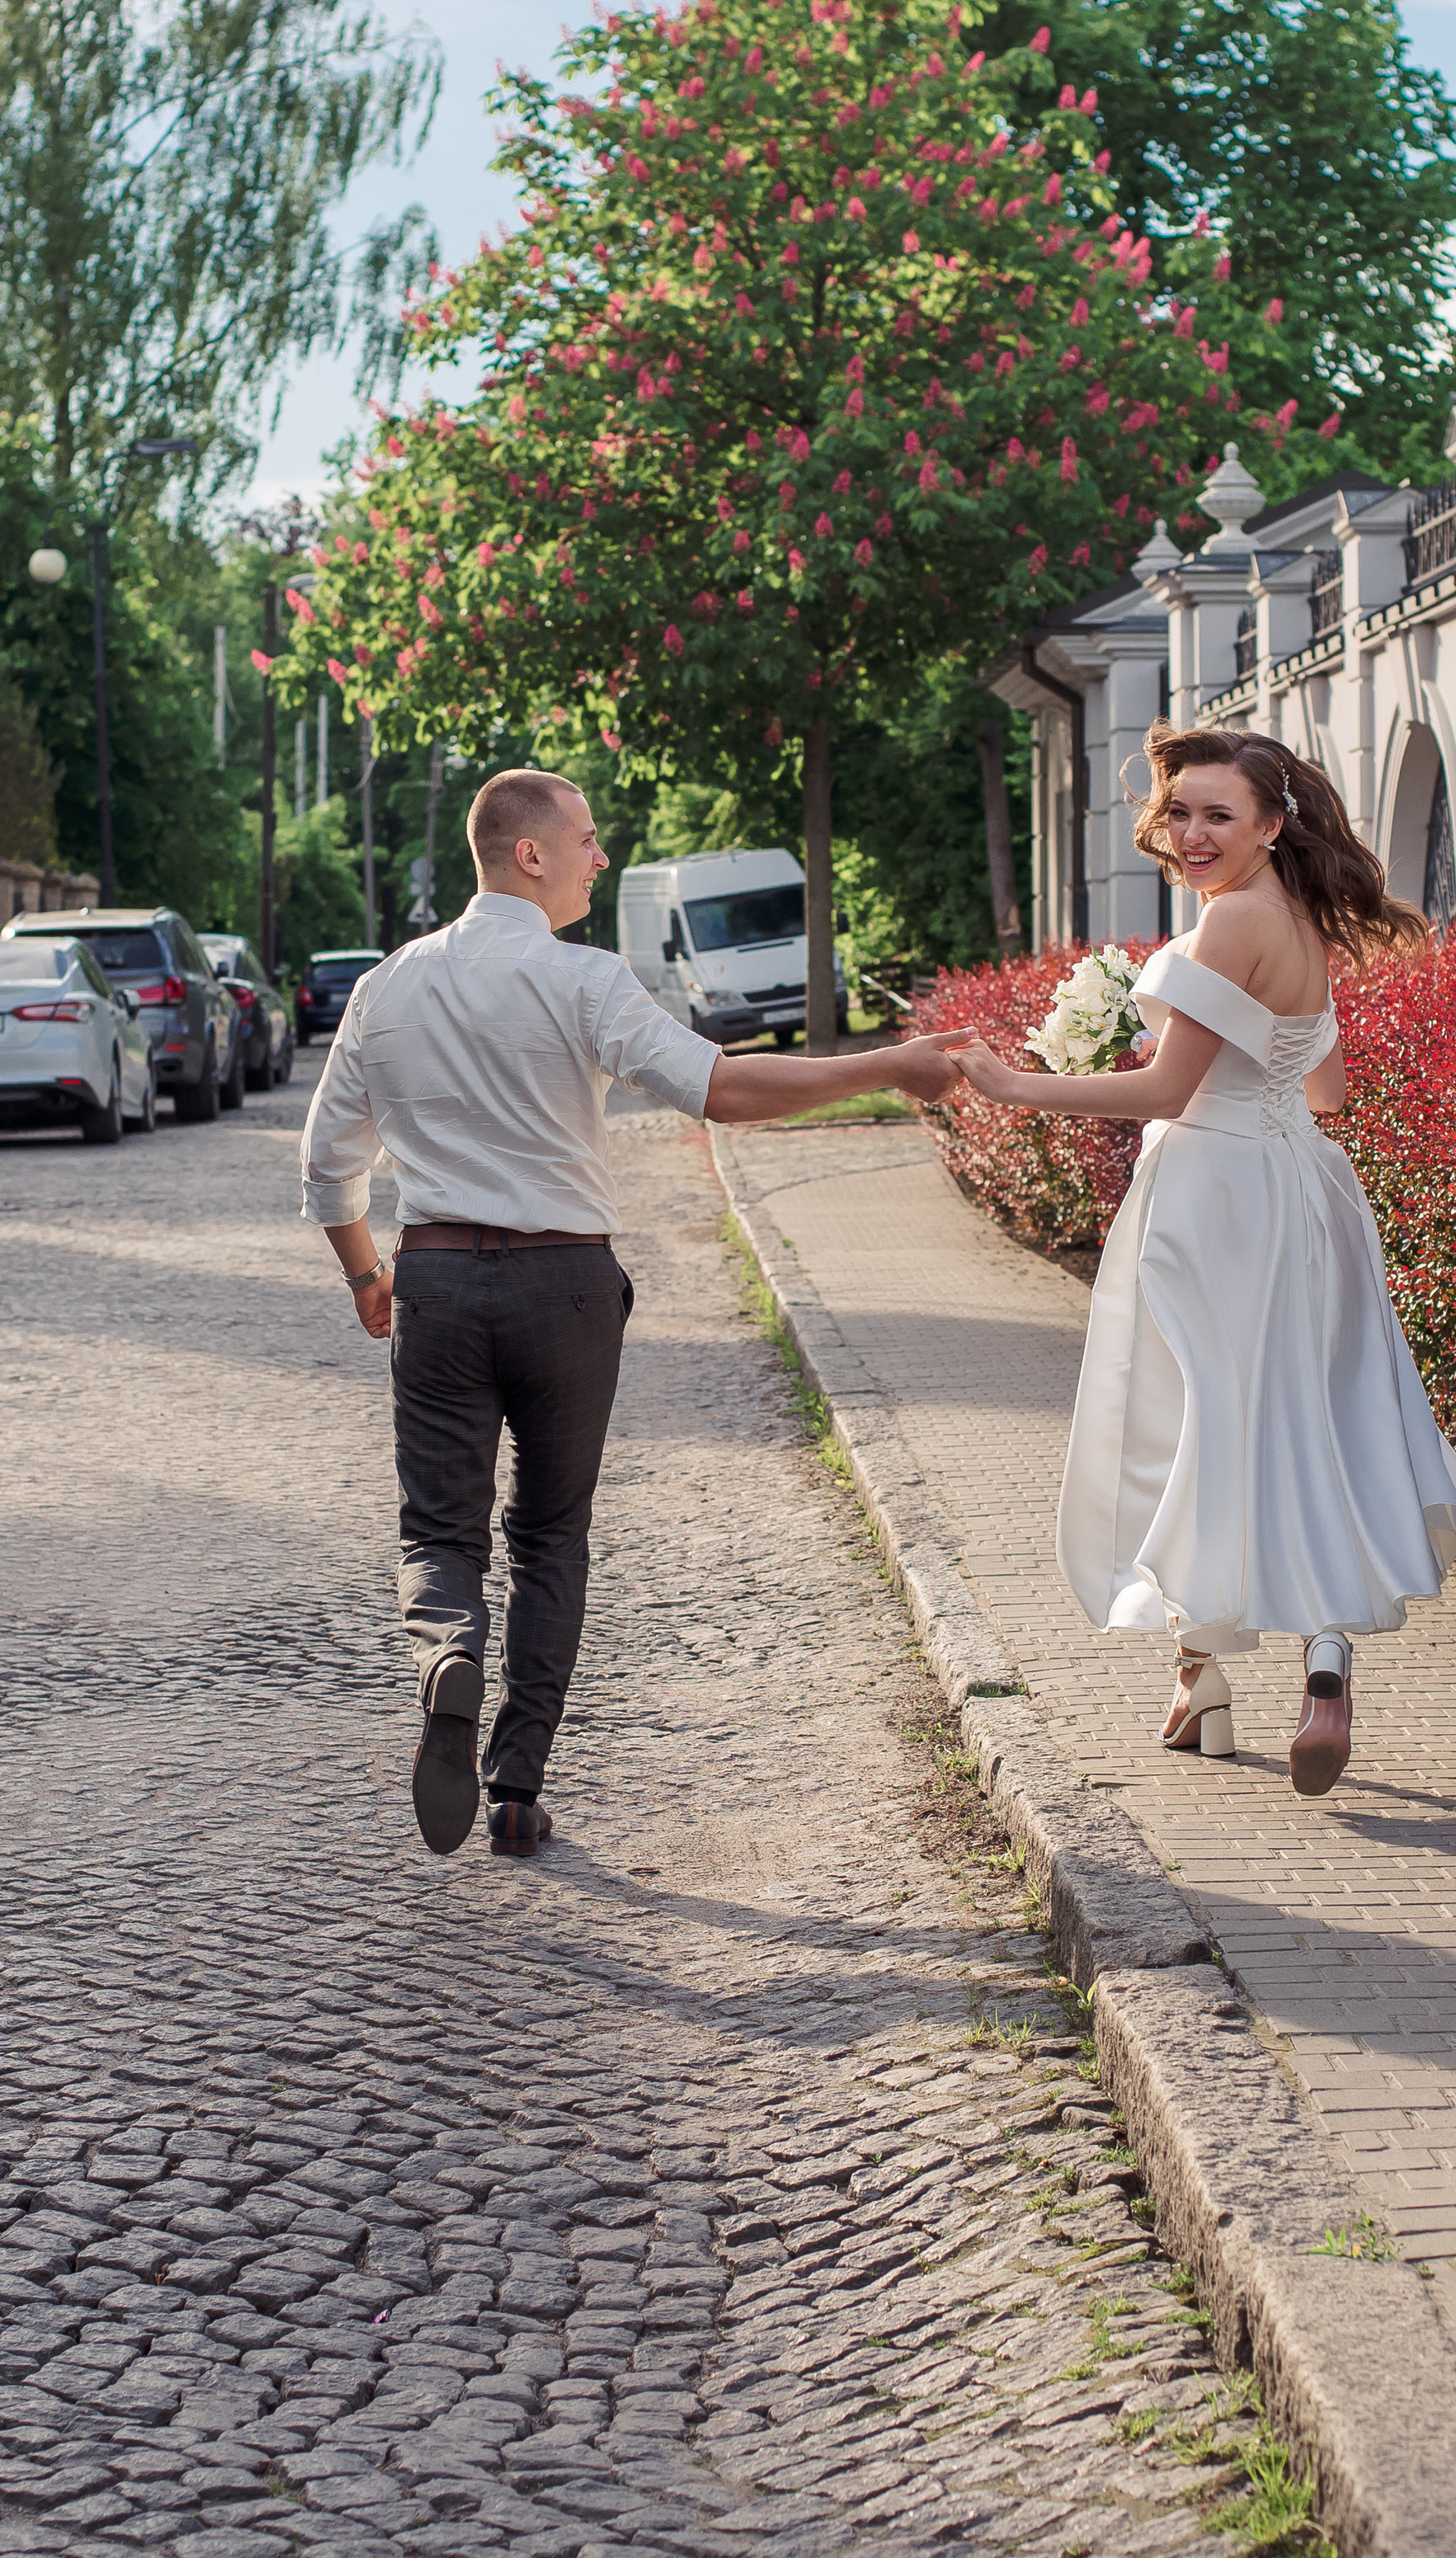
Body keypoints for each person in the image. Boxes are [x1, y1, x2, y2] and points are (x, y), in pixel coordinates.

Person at [300, 766, 965, 1859]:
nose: (601, 857)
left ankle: (447, 1656)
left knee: (440, 1530)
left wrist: (367, 1275)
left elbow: (329, 1165)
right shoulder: (586, 980)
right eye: (587, 838)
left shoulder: (388, 986)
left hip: (438, 1283)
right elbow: (721, 1090)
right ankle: (517, 1787)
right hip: (565, 1287)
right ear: (530, 855)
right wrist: (888, 1066)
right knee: (550, 1533)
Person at [949, 721, 1456, 1796]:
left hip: (1216, 1198)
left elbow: (1166, 1091)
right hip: (1305, 1191)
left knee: (1188, 1421)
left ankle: (1204, 1671)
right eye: (1180, 813)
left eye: (1219, 815)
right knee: (1300, 1418)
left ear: (1272, 824)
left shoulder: (1232, 921)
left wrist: (1017, 1086)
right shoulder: (1299, 919)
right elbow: (1329, 1089)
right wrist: (1234, 1061)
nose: (1193, 834)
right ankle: (1316, 1663)